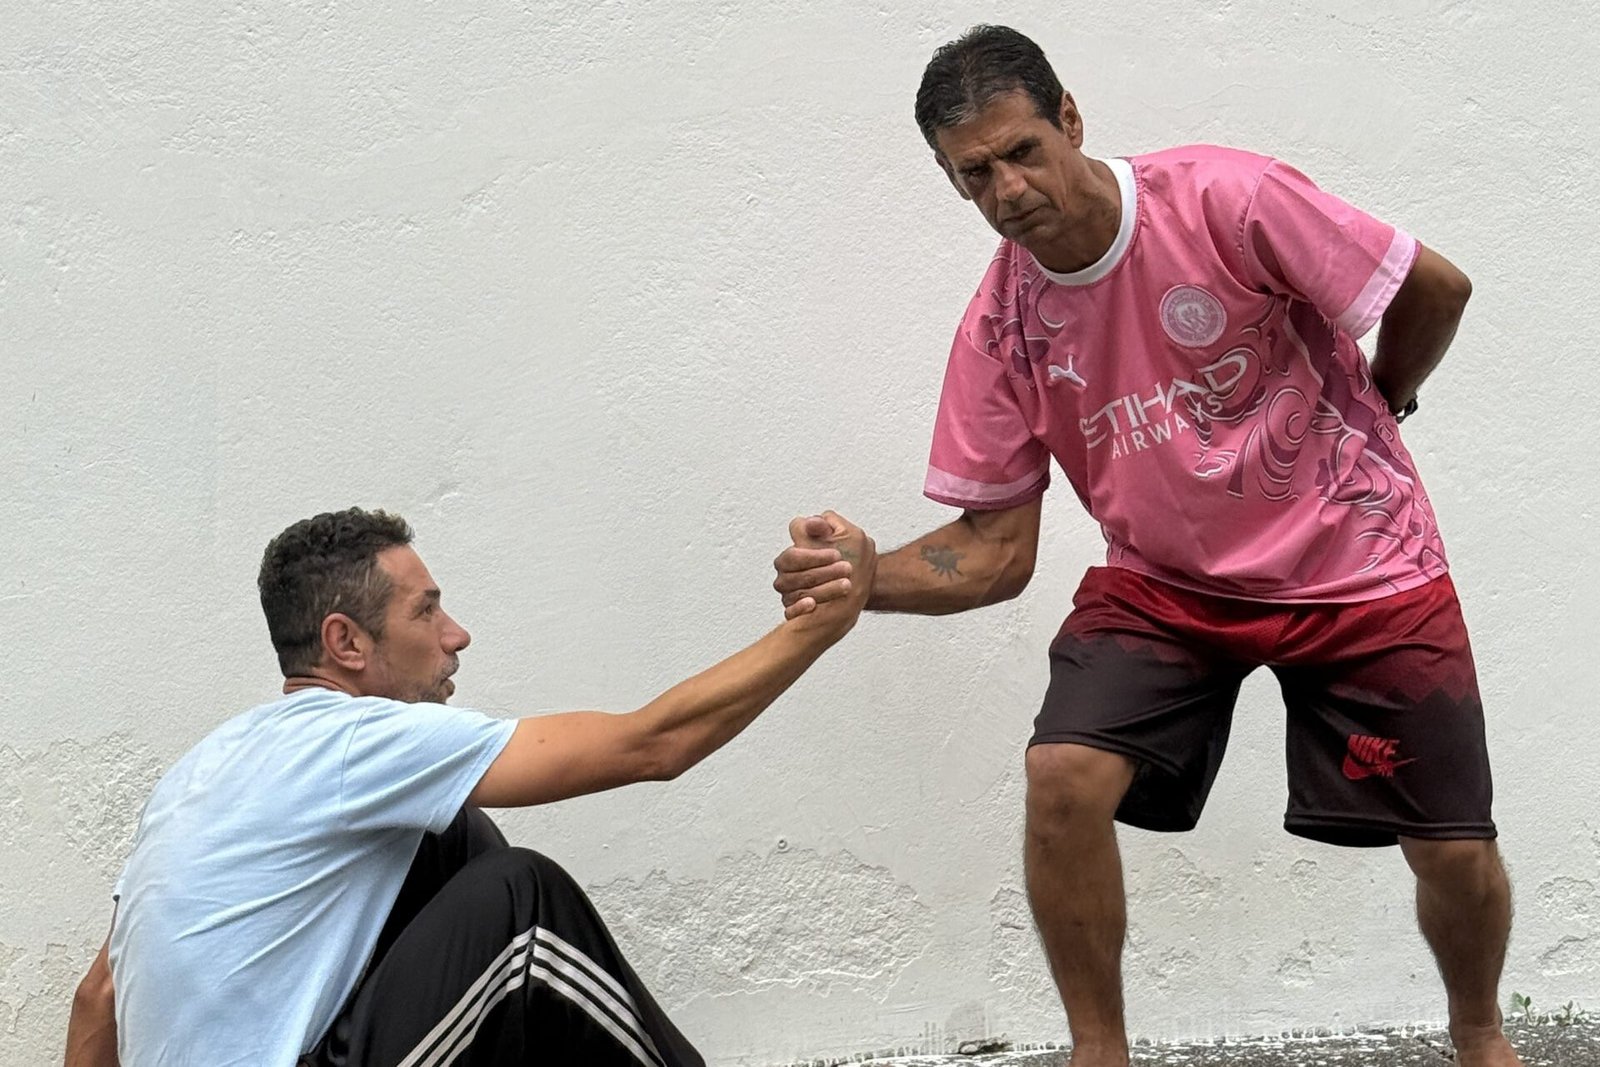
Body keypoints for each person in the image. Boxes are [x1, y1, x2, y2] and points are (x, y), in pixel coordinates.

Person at [773, 24, 1518, 1067]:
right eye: (973, 174)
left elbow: (1433, 286)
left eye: (1021, 150)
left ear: (1069, 118)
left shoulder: (1225, 199)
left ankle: (1480, 1035)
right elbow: (993, 550)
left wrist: (1384, 398)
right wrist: (867, 577)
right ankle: (1099, 1051)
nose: (1006, 189)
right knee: (1062, 773)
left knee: (1451, 846)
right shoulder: (1002, 326)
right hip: (1168, 584)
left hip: (1360, 563)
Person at [65, 506, 874, 1067]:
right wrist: (816, 627)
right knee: (522, 903)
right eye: (427, 612)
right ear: (346, 642)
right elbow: (652, 743)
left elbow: (99, 998)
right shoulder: (350, 741)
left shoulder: (201, 771)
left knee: (456, 835)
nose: (457, 635)